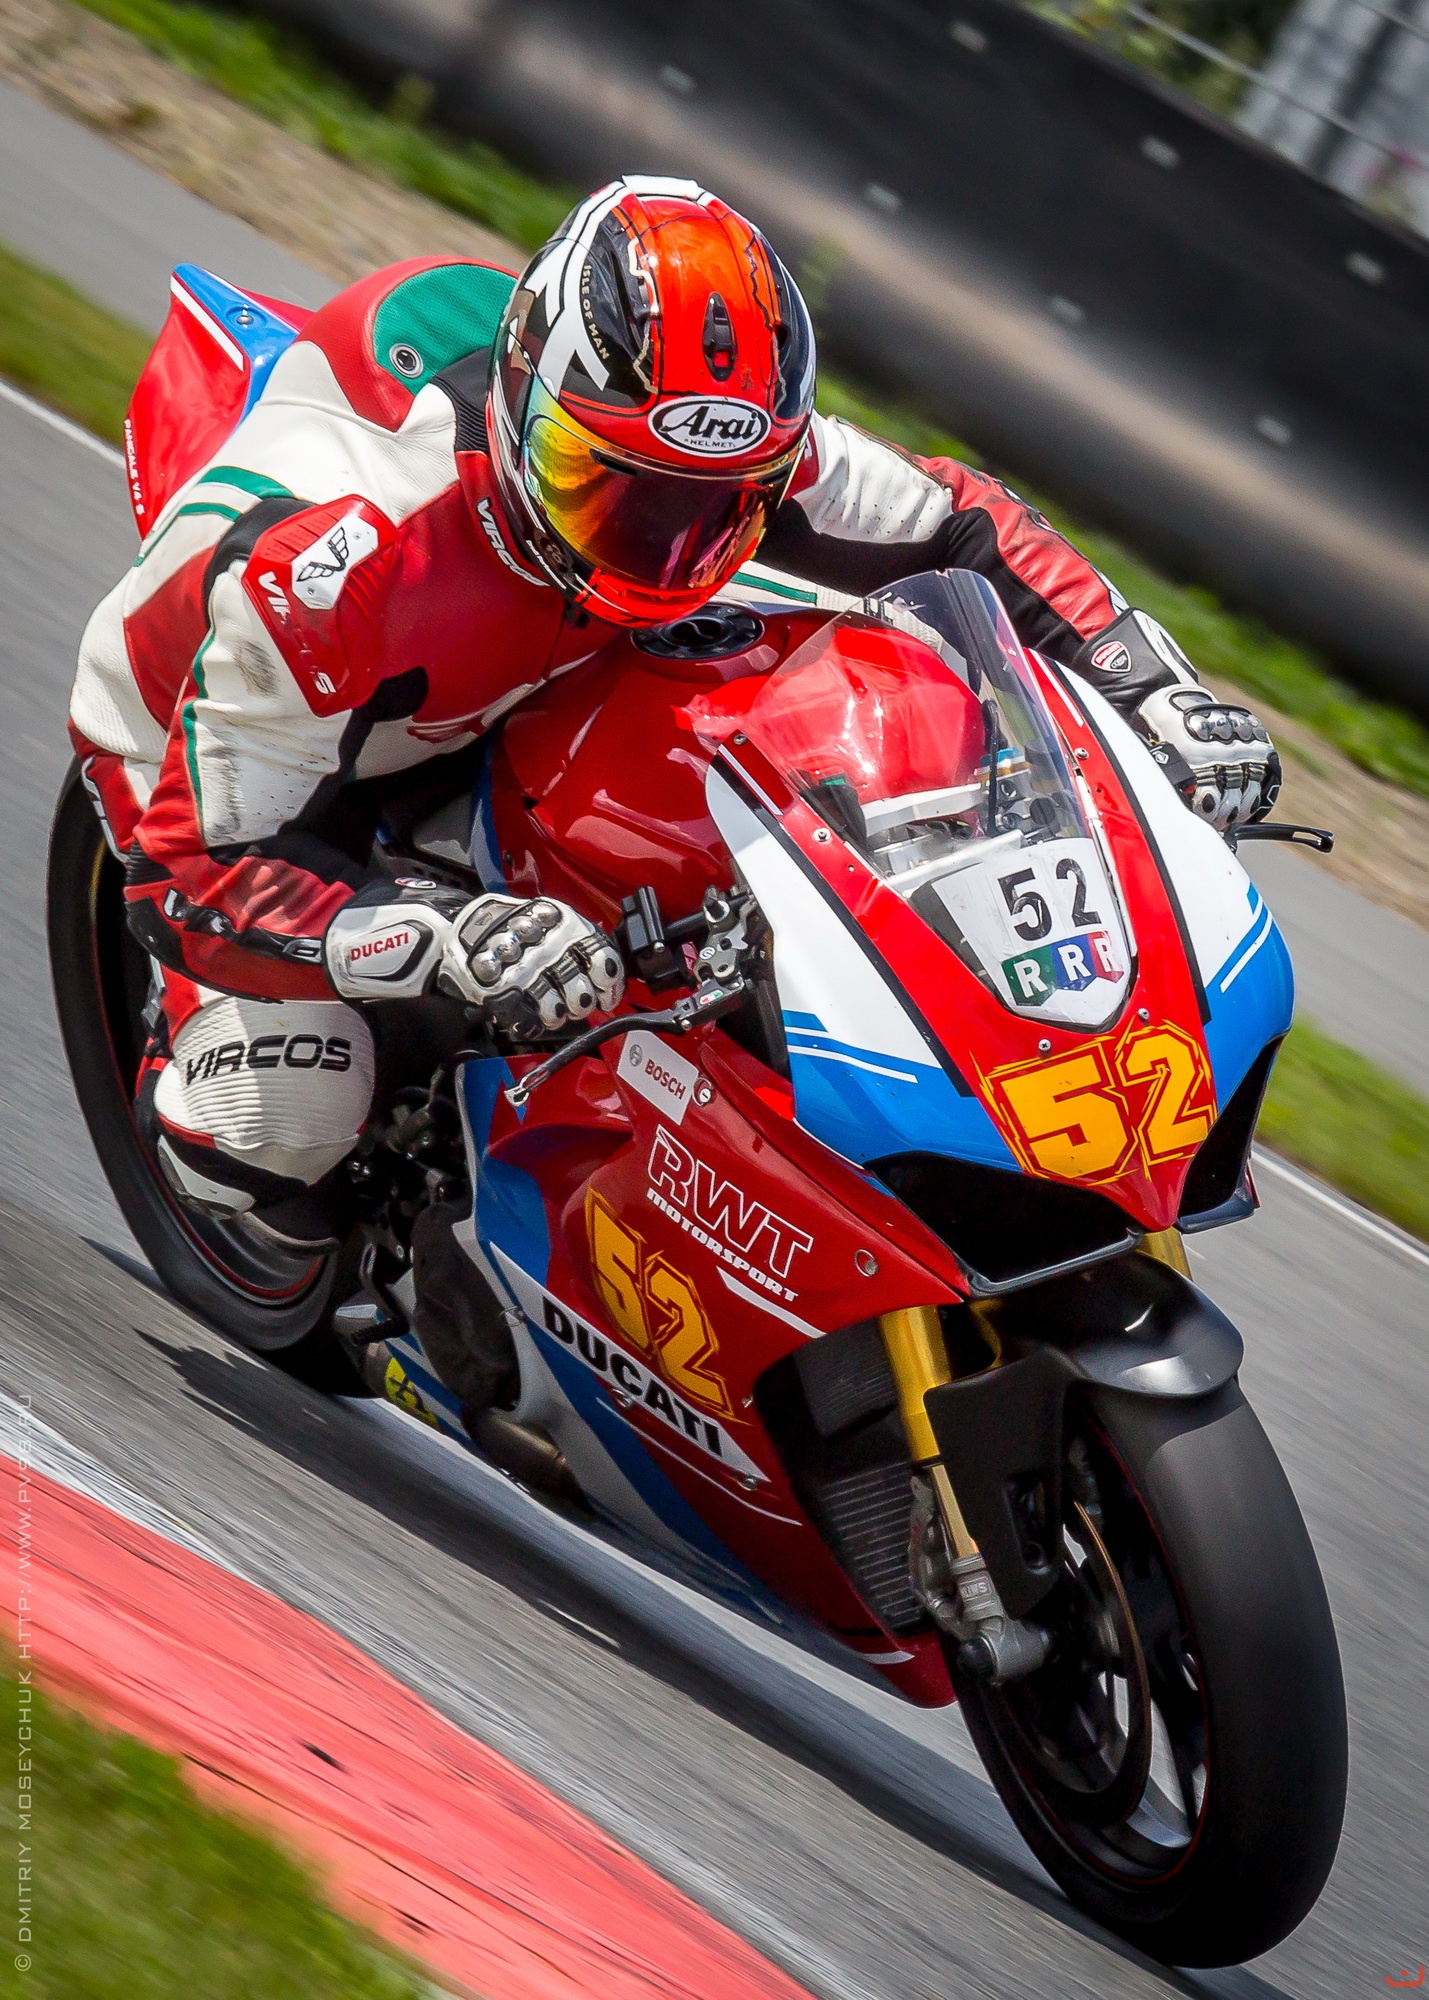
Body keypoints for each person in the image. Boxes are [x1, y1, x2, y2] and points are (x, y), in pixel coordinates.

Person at [69, 174, 1279, 1254]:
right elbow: (200, 865)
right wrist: (441, 939)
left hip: (521, 660)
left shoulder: (722, 453)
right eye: (609, 492)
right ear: (528, 407)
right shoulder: (334, 561)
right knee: (278, 1122)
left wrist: (1152, 686)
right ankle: (249, 1080)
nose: (660, 547)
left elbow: (967, 522)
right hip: (216, 761)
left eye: (711, 509)